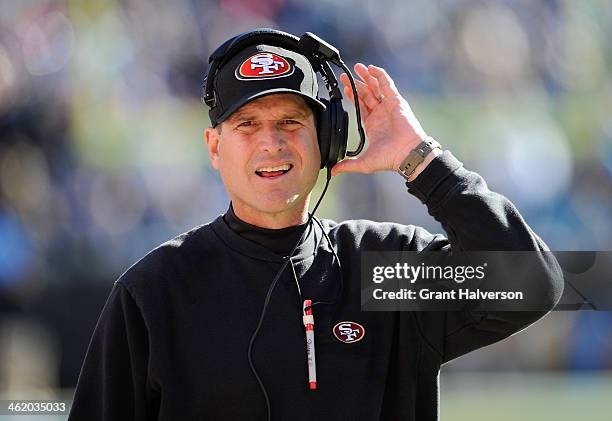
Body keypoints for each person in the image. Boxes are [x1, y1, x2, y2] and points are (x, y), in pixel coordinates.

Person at [68, 29, 563, 421]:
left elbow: (532, 284)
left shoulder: (383, 269)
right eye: (247, 125)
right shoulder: (154, 292)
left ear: (327, 140)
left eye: (290, 122)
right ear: (215, 147)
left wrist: (420, 160)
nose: (272, 143)